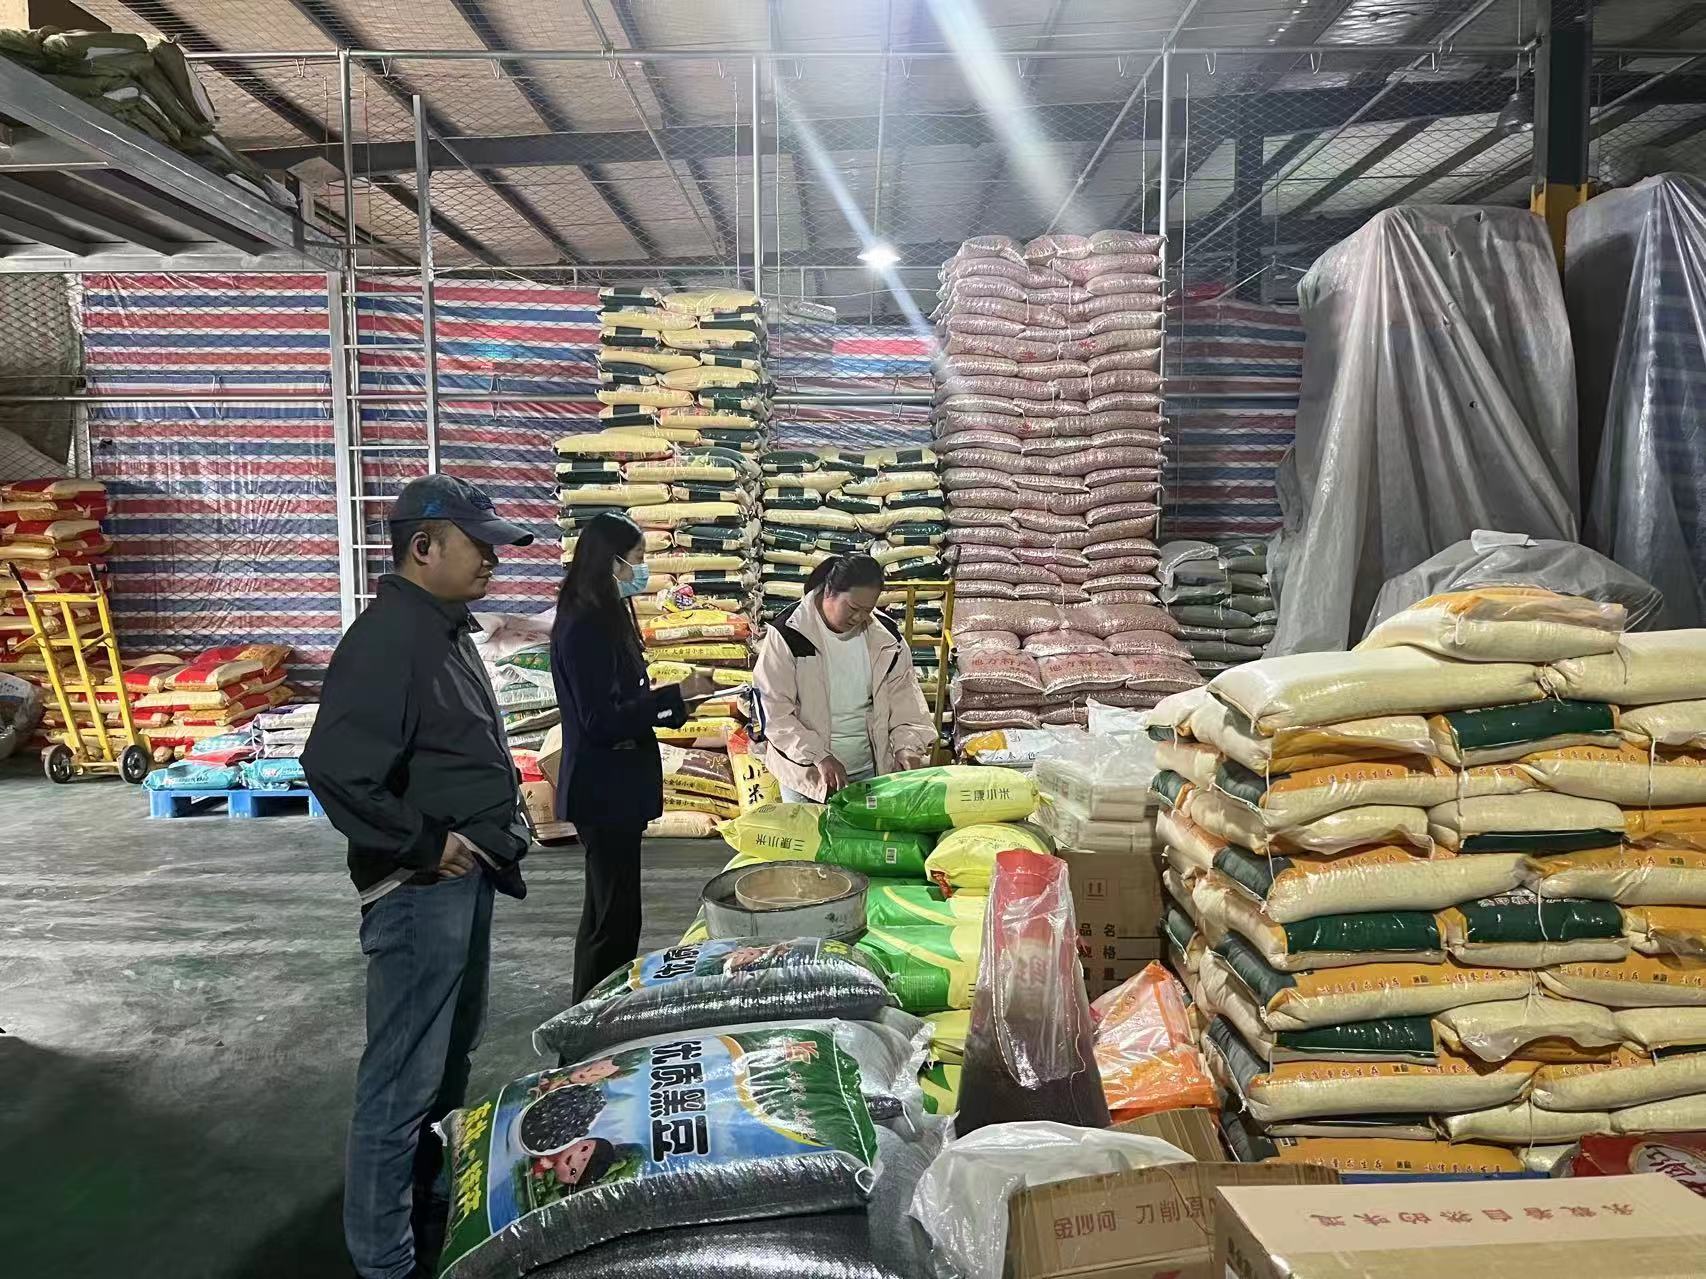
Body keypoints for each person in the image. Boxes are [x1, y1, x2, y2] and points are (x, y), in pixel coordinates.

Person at [302, 474, 535, 1279]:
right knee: (402, 1080)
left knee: (447, 1058)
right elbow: (334, 768)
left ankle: (430, 1201)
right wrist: (426, 842)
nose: (494, 560)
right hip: (419, 891)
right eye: (482, 545)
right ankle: (385, 1259)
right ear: (423, 545)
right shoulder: (389, 638)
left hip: (462, 880)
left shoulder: (442, 628)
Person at [550, 511, 694, 1003]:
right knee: (612, 918)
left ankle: (596, 1008)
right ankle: (594, 1013)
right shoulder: (585, 625)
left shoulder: (604, 615)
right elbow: (599, 719)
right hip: (602, 788)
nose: (642, 569)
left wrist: (675, 703)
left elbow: (621, 702)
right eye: (638, 558)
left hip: (617, 787)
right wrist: (672, 696)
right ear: (611, 562)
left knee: (613, 912)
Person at [752, 553, 935, 802]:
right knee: (810, 828)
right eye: (853, 608)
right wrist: (819, 756)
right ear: (829, 591)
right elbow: (774, 712)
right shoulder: (789, 635)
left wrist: (907, 747)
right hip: (809, 776)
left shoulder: (886, 638)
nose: (859, 618)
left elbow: (906, 702)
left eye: (867, 610)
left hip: (872, 773)